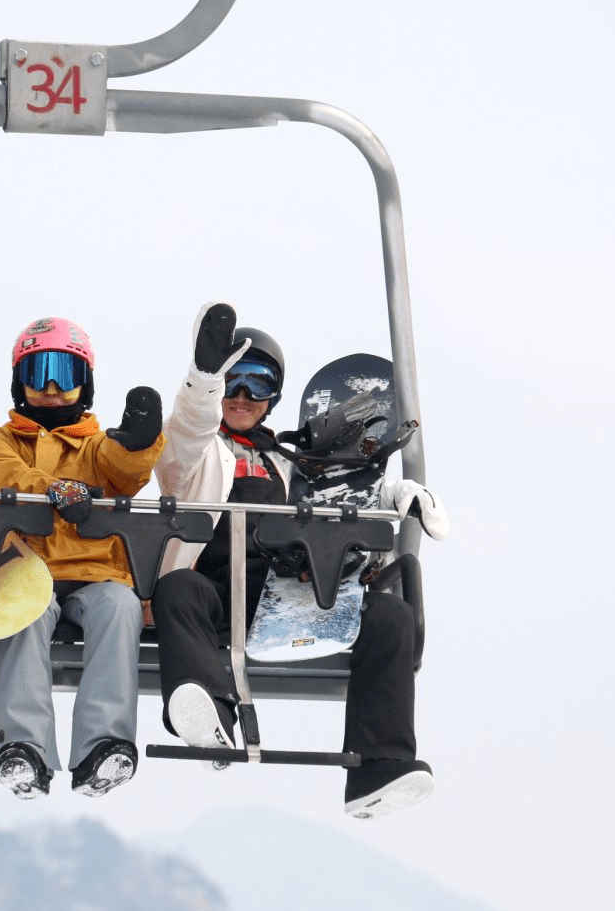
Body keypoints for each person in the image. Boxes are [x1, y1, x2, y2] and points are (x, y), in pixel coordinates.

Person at [150, 303, 450, 817]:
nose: (242, 397)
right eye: (233, 383)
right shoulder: (195, 453)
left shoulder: (294, 464)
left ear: (274, 398)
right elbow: (182, 439)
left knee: (390, 616)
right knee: (176, 589)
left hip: (286, 593)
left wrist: (396, 495)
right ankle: (207, 711)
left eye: (258, 386)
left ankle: (380, 765)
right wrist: (203, 381)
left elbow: (346, 493)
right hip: (219, 591)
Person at [0, 316, 165, 799]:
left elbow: (125, 468)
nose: (52, 388)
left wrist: (140, 442)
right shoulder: (0, 441)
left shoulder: (97, 447)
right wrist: (52, 489)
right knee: (22, 612)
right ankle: (23, 747)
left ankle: (104, 744)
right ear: (20, 385)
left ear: (86, 383)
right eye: (38, 375)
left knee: (120, 607)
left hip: (95, 573)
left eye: (66, 374)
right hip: (27, 568)